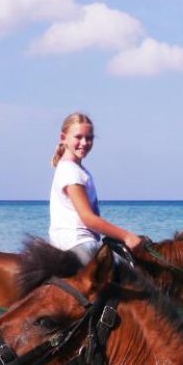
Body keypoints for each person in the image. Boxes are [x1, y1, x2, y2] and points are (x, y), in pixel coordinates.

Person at [48, 112, 143, 263]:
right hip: (77, 243)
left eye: (89, 138)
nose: (84, 142)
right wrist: (127, 236)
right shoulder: (71, 172)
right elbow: (88, 219)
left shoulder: (76, 169)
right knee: (131, 277)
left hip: (79, 241)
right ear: (63, 138)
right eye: (78, 137)